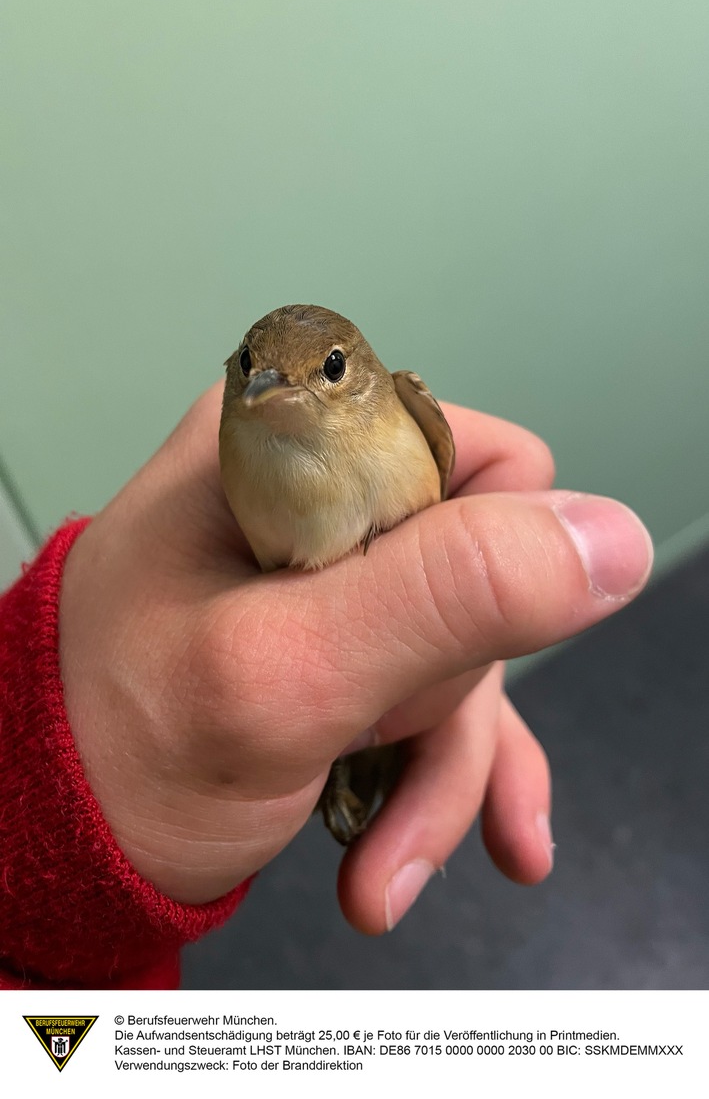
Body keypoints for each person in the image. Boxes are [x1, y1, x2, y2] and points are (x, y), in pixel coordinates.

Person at [0, 384, 653, 989]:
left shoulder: (404, 406)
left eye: (331, 369)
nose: (270, 386)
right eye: (252, 372)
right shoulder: (243, 447)